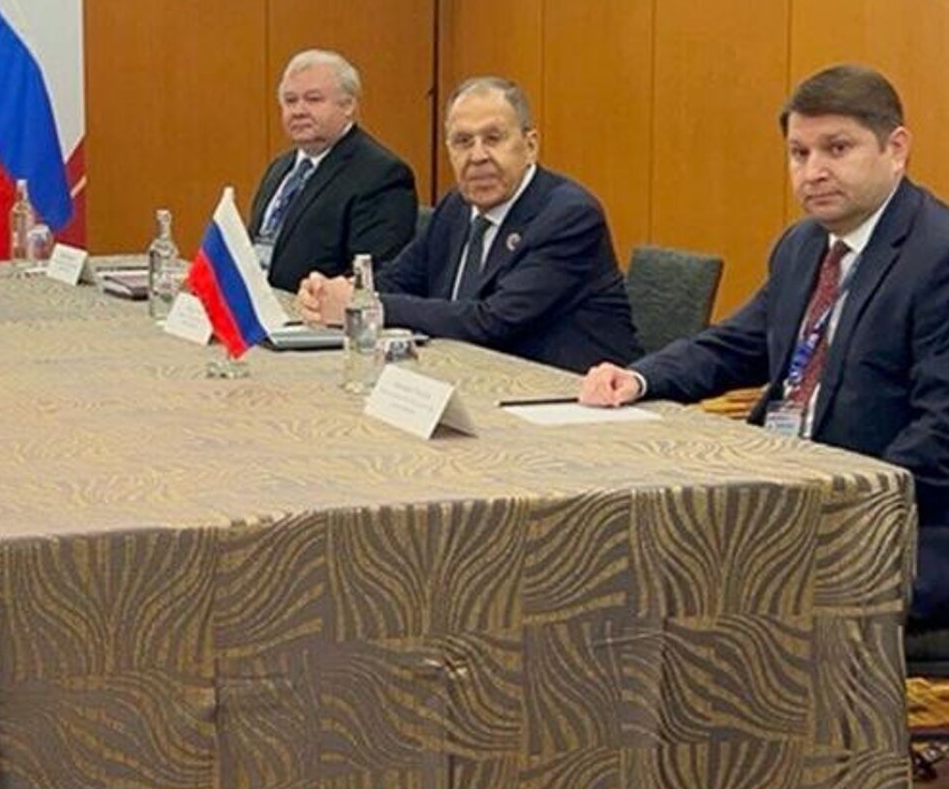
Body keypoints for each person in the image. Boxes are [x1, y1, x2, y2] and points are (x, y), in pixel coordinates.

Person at [581, 64, 949, 627]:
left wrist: (829, 512)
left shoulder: (936, 254)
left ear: (895, 149)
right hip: (786, 491)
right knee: (629, 545)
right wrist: (638, 378)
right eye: (799, 153)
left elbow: (939, 436)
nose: (813, 172)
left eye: (837, 149)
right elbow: (734, 344)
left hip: (898, 526)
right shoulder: (803, 244)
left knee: (716, 590)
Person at [298, 75, 640, 373]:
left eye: (493, 138)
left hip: (573, 397)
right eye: (463, 142)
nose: (477, 156)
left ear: (530, 146)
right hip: (473, 379)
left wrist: (367, 306)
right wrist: (336, 292)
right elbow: (399, 280)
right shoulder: (457, 206)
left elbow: (493, 322)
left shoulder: (569, 215)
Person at [250, 49, 418, 293]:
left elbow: (371, 278)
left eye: (313, 99)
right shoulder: (280, 168)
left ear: (348, 105)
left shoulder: (381, 175)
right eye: (290, 101)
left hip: (314, 311)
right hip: (256, 304)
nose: (298, 111)